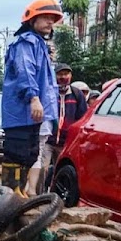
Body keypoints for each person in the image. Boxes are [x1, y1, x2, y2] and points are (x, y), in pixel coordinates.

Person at [2, 0, 62, 197]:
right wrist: (33, 98)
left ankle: (20, 192)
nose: (49, 22)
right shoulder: (25, 42)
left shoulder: (39, 45)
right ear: (31, 20)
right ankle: (9, 193)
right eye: (44, 17)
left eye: (52, 19)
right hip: (22, 110)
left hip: (34, 112)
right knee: (15, 153)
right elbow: (25, 71)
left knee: (29, 154)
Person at [37, 63, 89, 194]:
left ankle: (57, 197)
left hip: (67, 143)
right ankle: (38, 196)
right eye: (60, 74)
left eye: (66, 74)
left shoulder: (77, 95)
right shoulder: (49, 93)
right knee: (42, 169)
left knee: (61, 172)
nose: (63, 77)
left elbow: (82, 118)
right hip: (49, 139)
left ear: (71, 76)